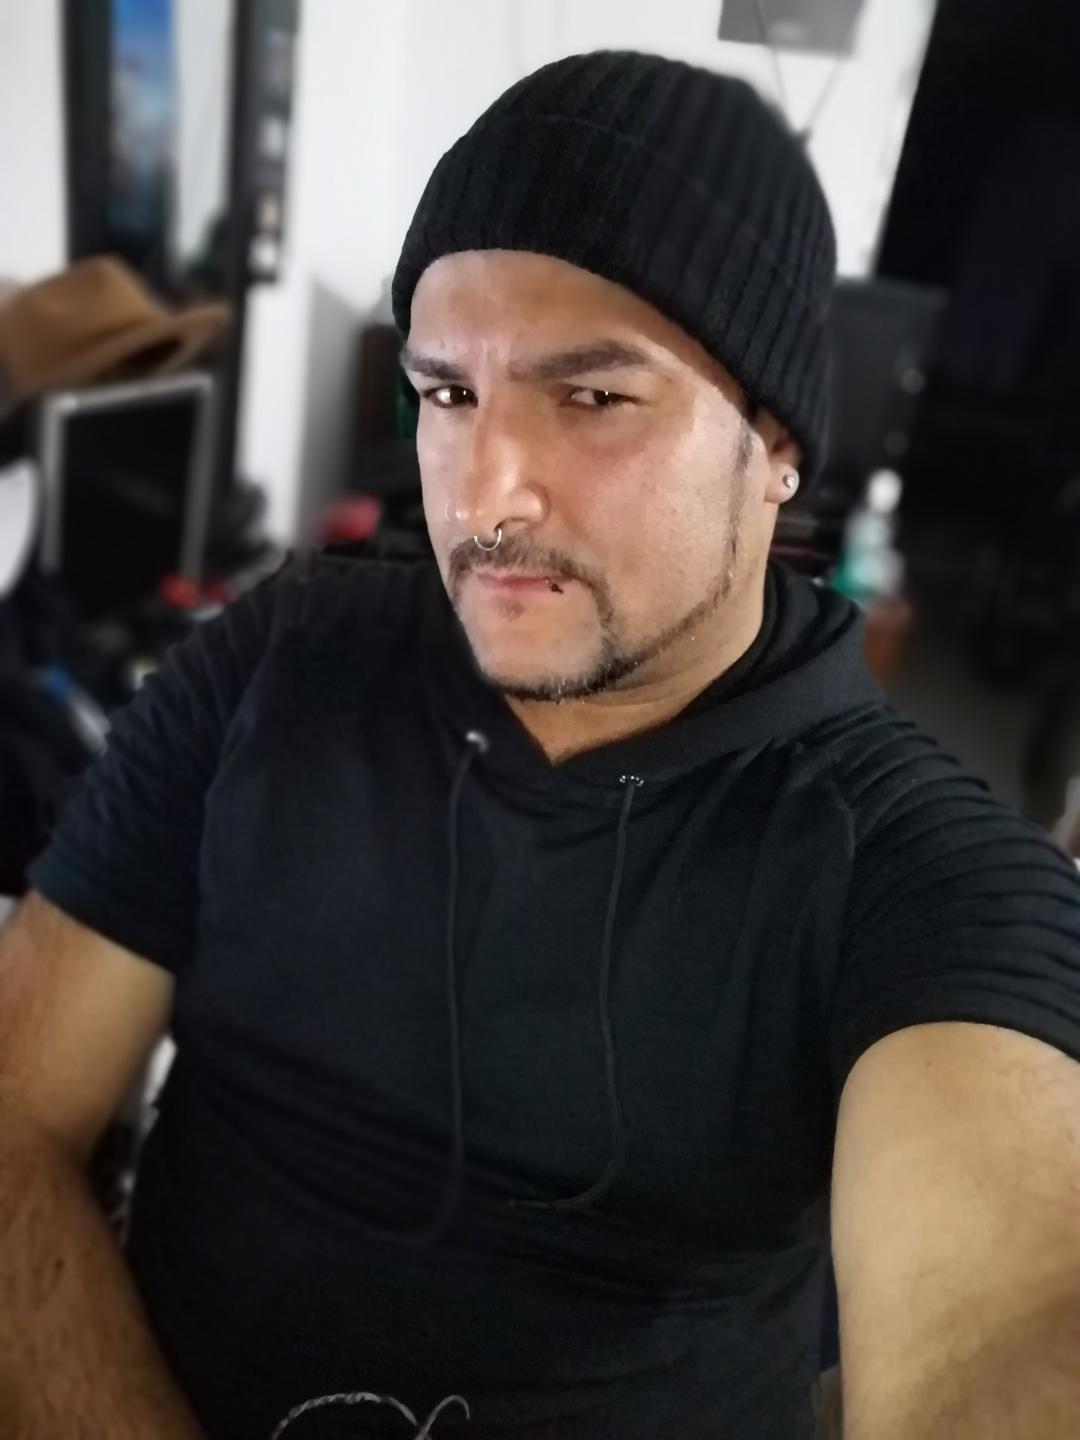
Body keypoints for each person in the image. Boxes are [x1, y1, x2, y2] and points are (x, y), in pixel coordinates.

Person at [2, 50, 1080, 1440]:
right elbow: (17, 1114)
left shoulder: (917, 872)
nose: (484, 494)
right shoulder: (279, 660)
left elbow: (1009, 1319)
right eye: (448, 396)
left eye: (593, 397)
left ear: (777, 444)